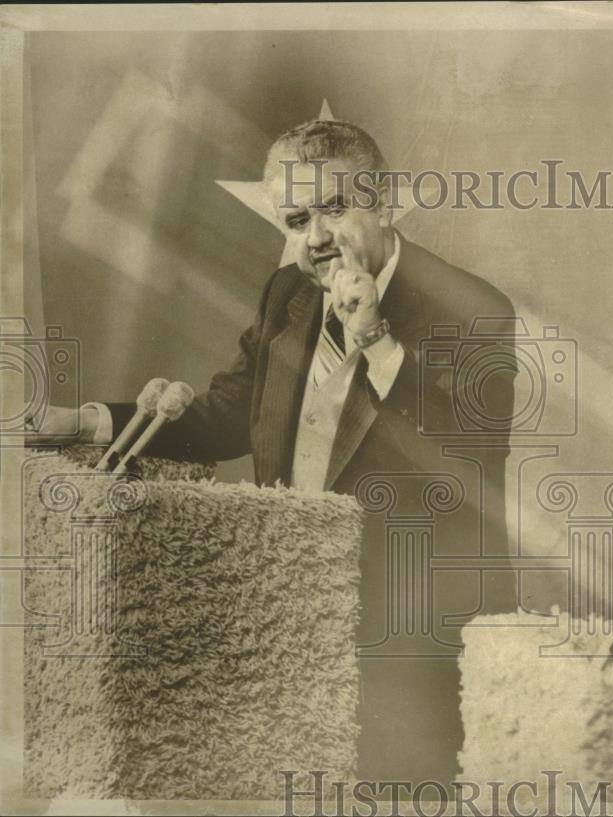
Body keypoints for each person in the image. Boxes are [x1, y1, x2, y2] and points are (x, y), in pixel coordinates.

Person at [35, 118, 518, 788]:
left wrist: (373, 335)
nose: (315, 236)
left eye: (333, 208)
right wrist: (85, 420)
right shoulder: (287, 293)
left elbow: (470, 465)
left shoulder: (474, 310)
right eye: (296, 219)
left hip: (407, 639)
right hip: (289, 618)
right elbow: (229, 417)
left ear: (384, 201)